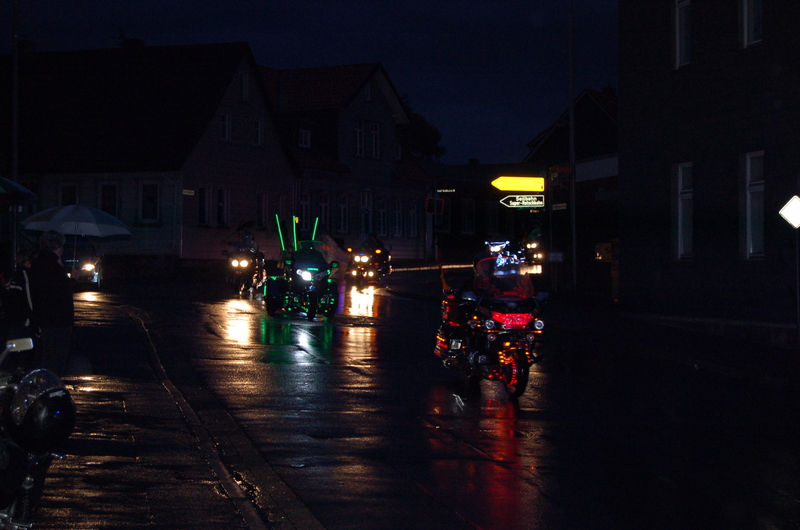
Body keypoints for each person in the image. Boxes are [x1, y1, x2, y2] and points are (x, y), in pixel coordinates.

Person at [28, 230, 74, 376]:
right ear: (56, 246)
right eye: (61, 246)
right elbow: (60, 290)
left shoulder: (39, 262)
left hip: (45, 316)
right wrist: (72, 279)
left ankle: (47, 383)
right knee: (56, 355)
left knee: (48, 354)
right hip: (57, 318)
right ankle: (51, 385)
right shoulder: (51, 266)